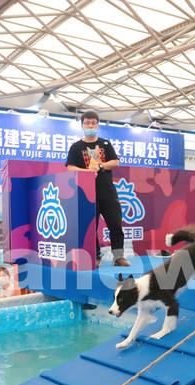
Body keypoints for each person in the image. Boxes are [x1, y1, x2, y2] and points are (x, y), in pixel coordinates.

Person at [66, 110, 130, 267]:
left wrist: (100, 166)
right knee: (90, 227)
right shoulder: (76, 147)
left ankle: (118, 257)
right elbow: (70, 167)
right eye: (87, 123)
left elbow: (115, 162)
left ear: (98, 125)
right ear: (82, 125)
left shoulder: (105, 144)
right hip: (87, 194)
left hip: (108, 192)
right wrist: (87, 171)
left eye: (93, 123)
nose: (90, 126)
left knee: (115, 224)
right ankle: (95, 256)